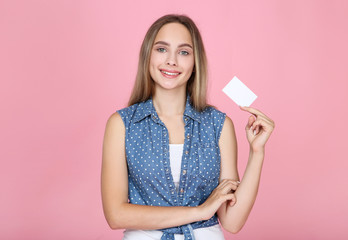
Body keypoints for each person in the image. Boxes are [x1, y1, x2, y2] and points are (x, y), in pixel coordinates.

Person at [101, 14, 275, 240]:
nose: (171, 60)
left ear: (195, 63)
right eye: (162, 49)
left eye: (184, 52)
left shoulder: (218, 124)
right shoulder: (122, 124)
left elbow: (232, 222)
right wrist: (199, 212)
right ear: (148, 56)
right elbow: (116, 215)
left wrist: (257, 152)